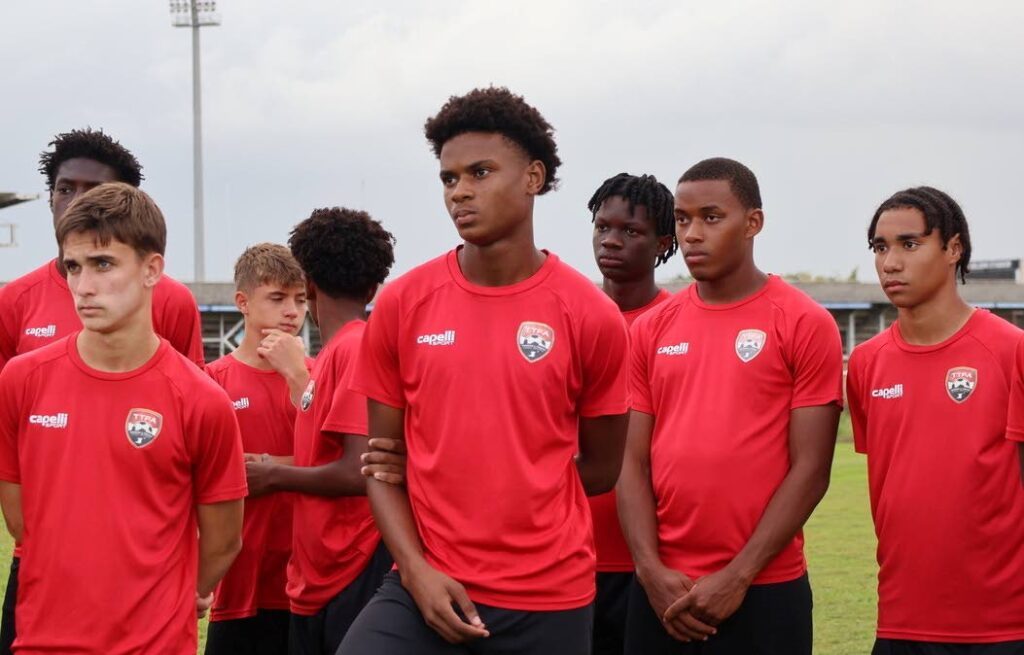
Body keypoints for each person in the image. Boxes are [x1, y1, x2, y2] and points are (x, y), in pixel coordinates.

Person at [339, 87, 631, 655]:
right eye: (449, 179)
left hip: (548, 597)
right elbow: (381, 463)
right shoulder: (403, 304)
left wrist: (515, 485)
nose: (461, 192)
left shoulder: (591, 315)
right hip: (424, 585)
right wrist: (417, 571)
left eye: (480, 172)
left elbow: (600, 468)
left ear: (534, 178)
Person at [0, 183, 245, 653]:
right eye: (73, 267)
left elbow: (222, 542)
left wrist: (159, 599)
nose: (84, 286)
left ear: (152, 269)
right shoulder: (22, 380)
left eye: (103, 264)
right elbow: (23, 522)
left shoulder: (200, 401)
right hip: (42, 641)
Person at [618, 157, 843, 655]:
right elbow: (631, 463)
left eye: (711, 217)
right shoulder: (652, 328)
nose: (692, 233)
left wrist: (738, 575)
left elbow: (811, 469)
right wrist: (649, 570)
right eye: (682, 219)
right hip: (662, 592)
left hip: (763, 589)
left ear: (753, 223)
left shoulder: (803, 322)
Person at [848, 186, 1024, 654]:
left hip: (1001, 627)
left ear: (953, 249)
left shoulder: (1010, 351)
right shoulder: (866, 363)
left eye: (909, 244)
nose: (890, 263)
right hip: (900, 622)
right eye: (880, 248)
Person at [243, 208, 396, 654]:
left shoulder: (353, 347)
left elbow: (357, 470)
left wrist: (273, 476)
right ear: (372, 286)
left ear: (307, 285)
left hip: (353, 564)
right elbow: (325, 454)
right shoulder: (332, 353)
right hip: (321, 570)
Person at [586, 172, 677, 655]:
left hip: (651, 566)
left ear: (663, 242)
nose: (611, 240)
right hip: (568, 560)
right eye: (602, 227)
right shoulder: (568, 317)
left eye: (630, 231)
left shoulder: (678, 324)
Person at [203, 243, 309, 654]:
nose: (291, 311)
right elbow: (215, 475)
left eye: (300, 299)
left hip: (309, 578)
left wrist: (270, 467)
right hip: (240, 582)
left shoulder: (318, 376)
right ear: (243, 303)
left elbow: (344, 465)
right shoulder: (213, 380)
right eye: (278, 298)